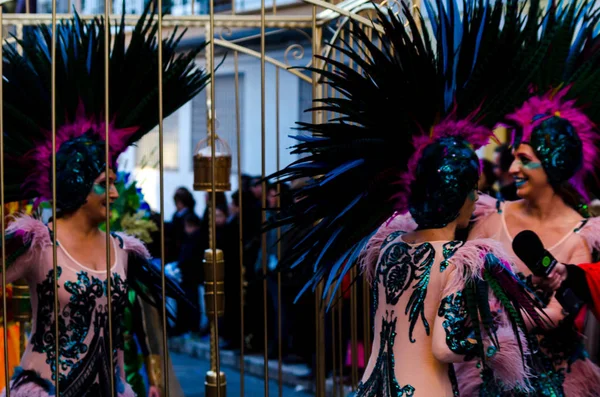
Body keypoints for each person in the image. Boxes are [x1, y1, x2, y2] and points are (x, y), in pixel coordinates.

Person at [263, 1, 551, 395]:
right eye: (473, 191)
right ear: (462, 198)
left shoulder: (391, 247)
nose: (477, 198)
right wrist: (493, 343)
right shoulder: (461, 258)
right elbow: (446, 345)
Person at [0, 4, 209, 396]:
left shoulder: (124, 250)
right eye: (103, 183)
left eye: (113, 182)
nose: (113, 193)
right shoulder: (37, 245)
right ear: (77, 185)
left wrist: (154, 379)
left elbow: (137, 327)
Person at [464, 1, 600, 394]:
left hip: (555, 384)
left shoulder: (580, 237)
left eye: (525, 160)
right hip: (486, 382)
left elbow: (562, 315)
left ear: (554, 168)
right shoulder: (491, 219)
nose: (512, 170)